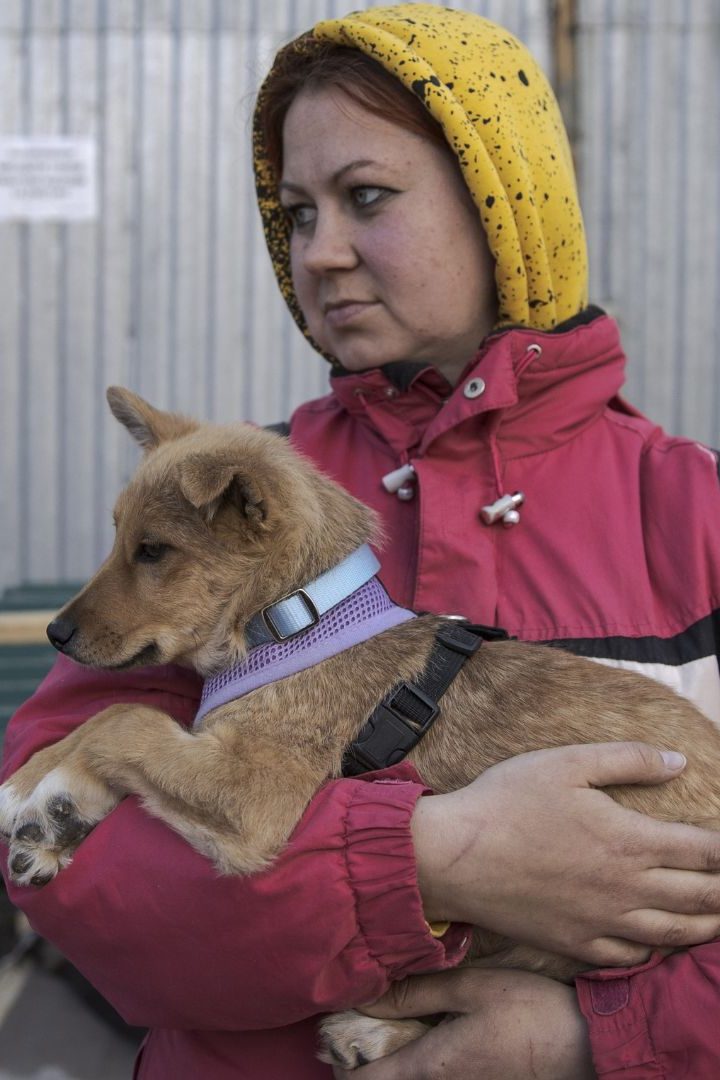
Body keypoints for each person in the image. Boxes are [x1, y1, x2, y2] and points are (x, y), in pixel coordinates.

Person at [3, 5, 720, 1077]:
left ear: (500, 206)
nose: (320, 251)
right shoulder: (236, 511)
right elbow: (73, 880)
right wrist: (430, 861)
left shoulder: (693, 516)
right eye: (295, 212)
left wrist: (592, 1035)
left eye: (367, 198)